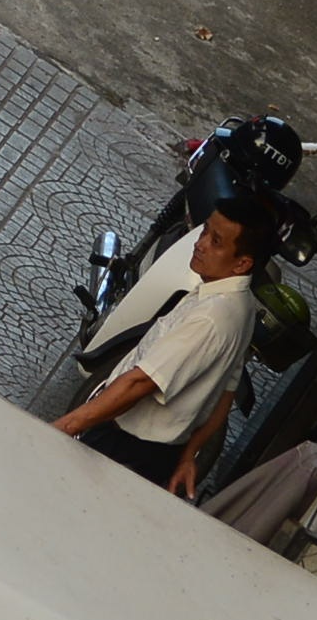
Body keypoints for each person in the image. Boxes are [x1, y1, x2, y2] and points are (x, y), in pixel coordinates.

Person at [51, 190, 264, 494]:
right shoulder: (242, 304)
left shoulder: (211, 318)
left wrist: (66, 426)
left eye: (216, 242)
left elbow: (141, 383)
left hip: (127, 447)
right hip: (156, 453)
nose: (200, 244)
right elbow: (225, 395)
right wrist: (189, 456)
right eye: (205, 231)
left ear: (241, 264)